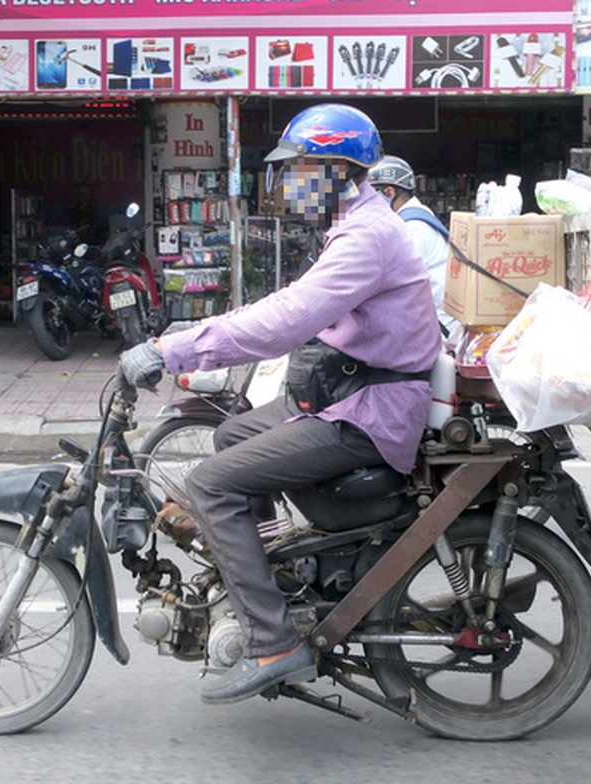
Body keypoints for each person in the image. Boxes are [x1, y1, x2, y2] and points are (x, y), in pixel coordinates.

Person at [118, 104, 442, 705]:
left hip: (370, 413)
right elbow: (290, 306)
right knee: (231, 436)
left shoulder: (367, 237)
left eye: (298, 170)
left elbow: (287, 320)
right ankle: (274, 564)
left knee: (212, 483)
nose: (288, 184)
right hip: (348, 395)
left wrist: (174, 350)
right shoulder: (352, 225)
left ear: (338, 170)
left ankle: (274, 643)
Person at [367, 155, 458, 336]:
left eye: (370, 195)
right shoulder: (413, 217)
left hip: (437, 330)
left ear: (389, 193)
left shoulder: (413, 228)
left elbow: (392, 283)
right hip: (427, 321)